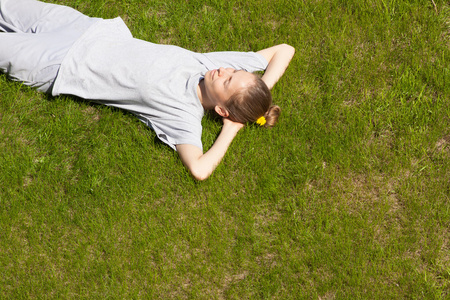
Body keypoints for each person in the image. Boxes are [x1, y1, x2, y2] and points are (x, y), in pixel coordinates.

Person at [0, 0, 295, 180]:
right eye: (235, 71)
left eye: (228, 80)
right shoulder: (210, 65)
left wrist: (232, 127)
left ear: (221, 109)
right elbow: (284, 49)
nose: (225, 70)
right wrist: (258, 89)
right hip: (83, 27)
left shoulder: (181, 115)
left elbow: (200, 169)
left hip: (60, 64)